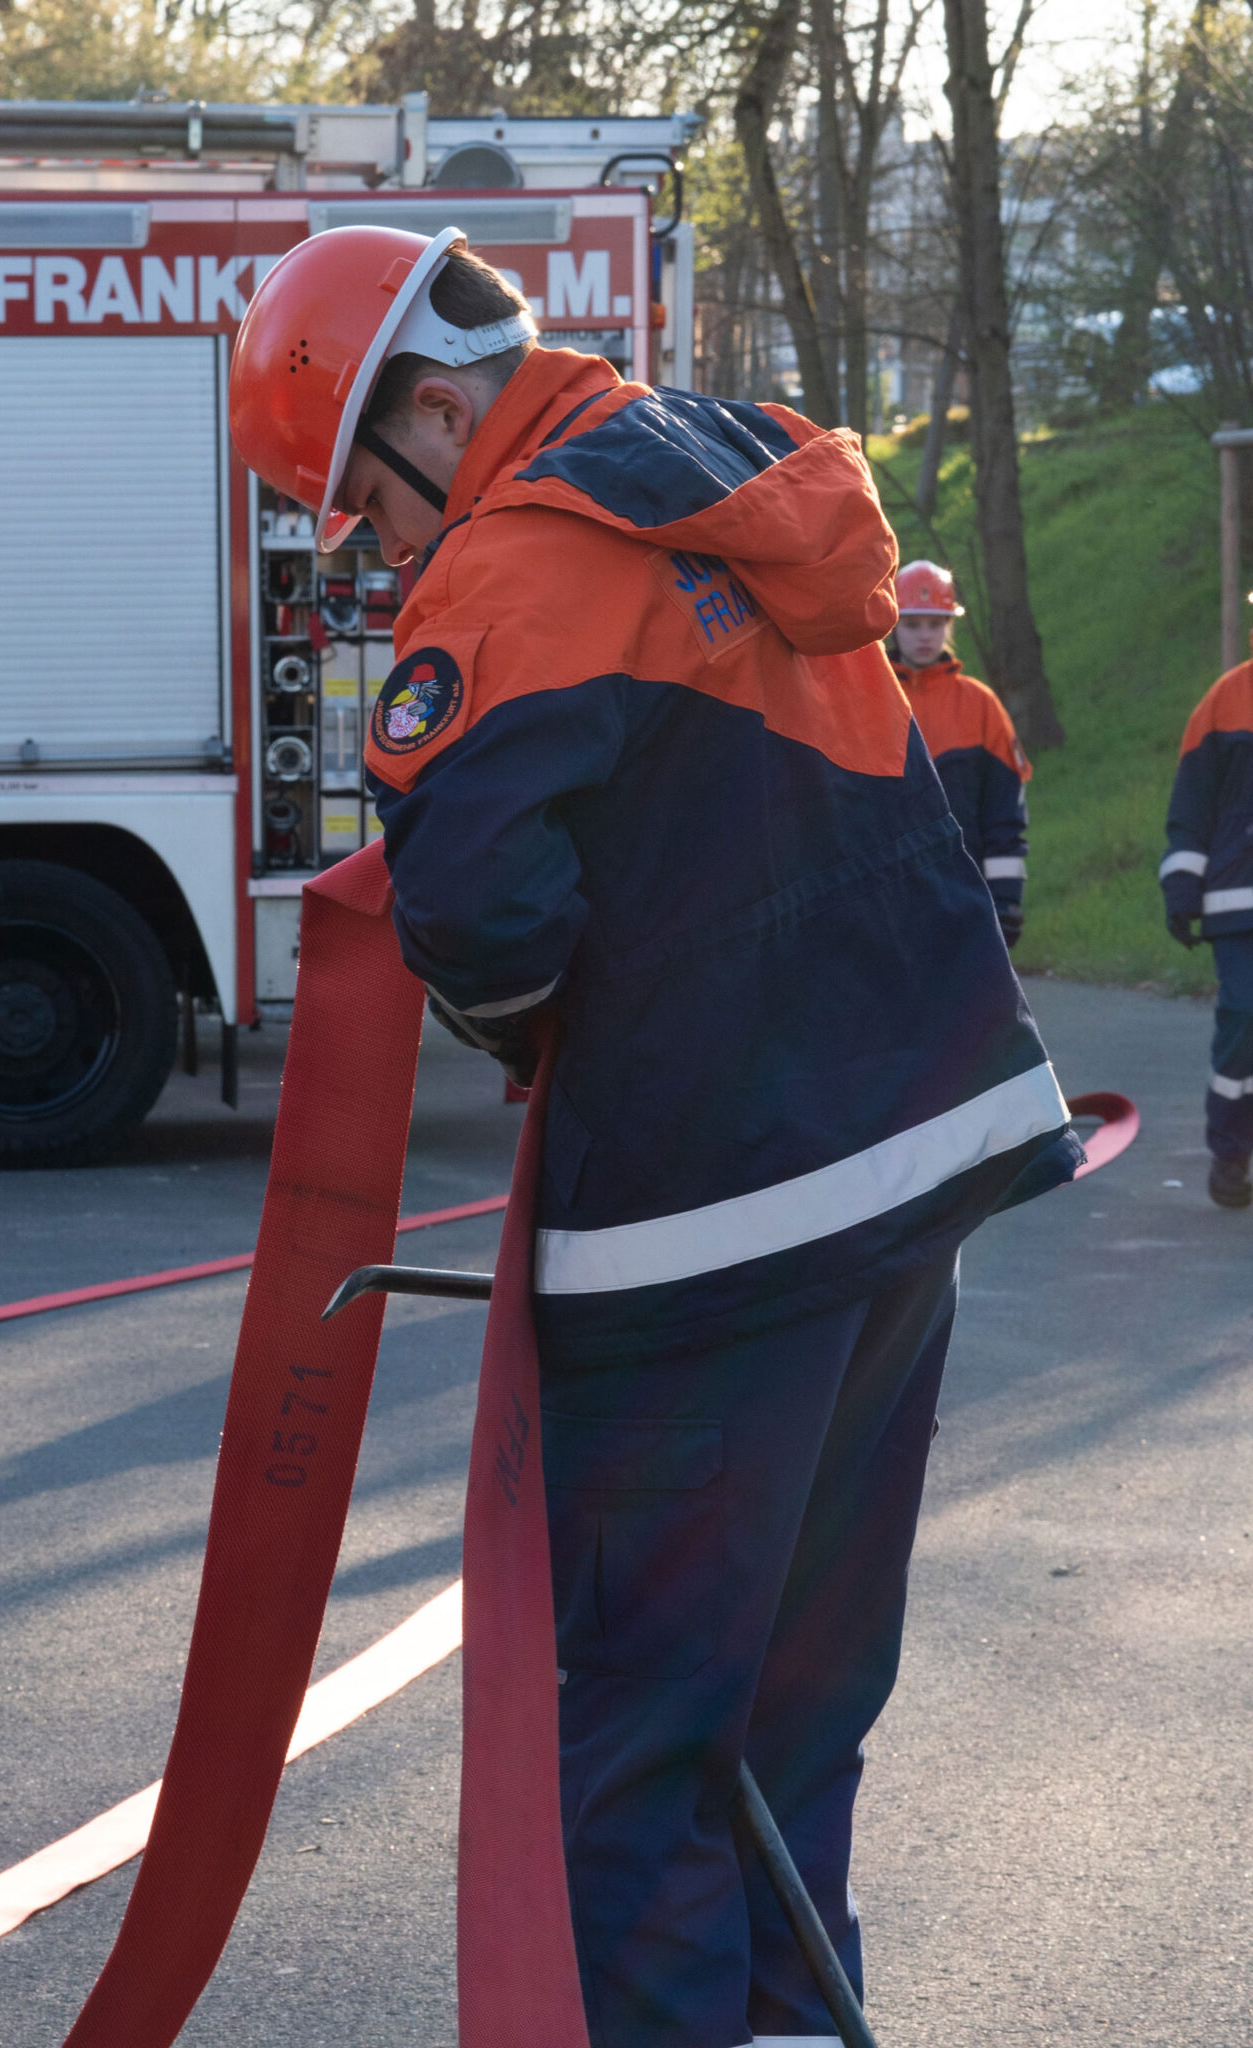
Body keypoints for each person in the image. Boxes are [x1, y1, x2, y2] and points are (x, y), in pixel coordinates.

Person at [229, 227, 1082, 2048]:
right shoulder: (728, 470)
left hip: (707, 1224)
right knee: (791, 1720)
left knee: (637, 1751)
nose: (375, 552)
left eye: (364, 504)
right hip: (907, 1175)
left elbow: (481, 920)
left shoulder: (513, 569)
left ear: (438, 409)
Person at [888, 559, 1031, 948]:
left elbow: (1005, 812)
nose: (924, 636)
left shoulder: (980, 705)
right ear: (893, 625)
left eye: (935, 624)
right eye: (913, 624)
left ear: (949, 626)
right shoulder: (869, 697)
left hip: (967, 895)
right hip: (887, 899)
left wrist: (1005, 900)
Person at [1160, 632, 1253, 1209]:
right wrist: (1181, 886)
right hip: (1236, 903)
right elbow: (1191, 807)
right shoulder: (1224, 701)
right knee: (1244, 1016)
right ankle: (1230, 1150)